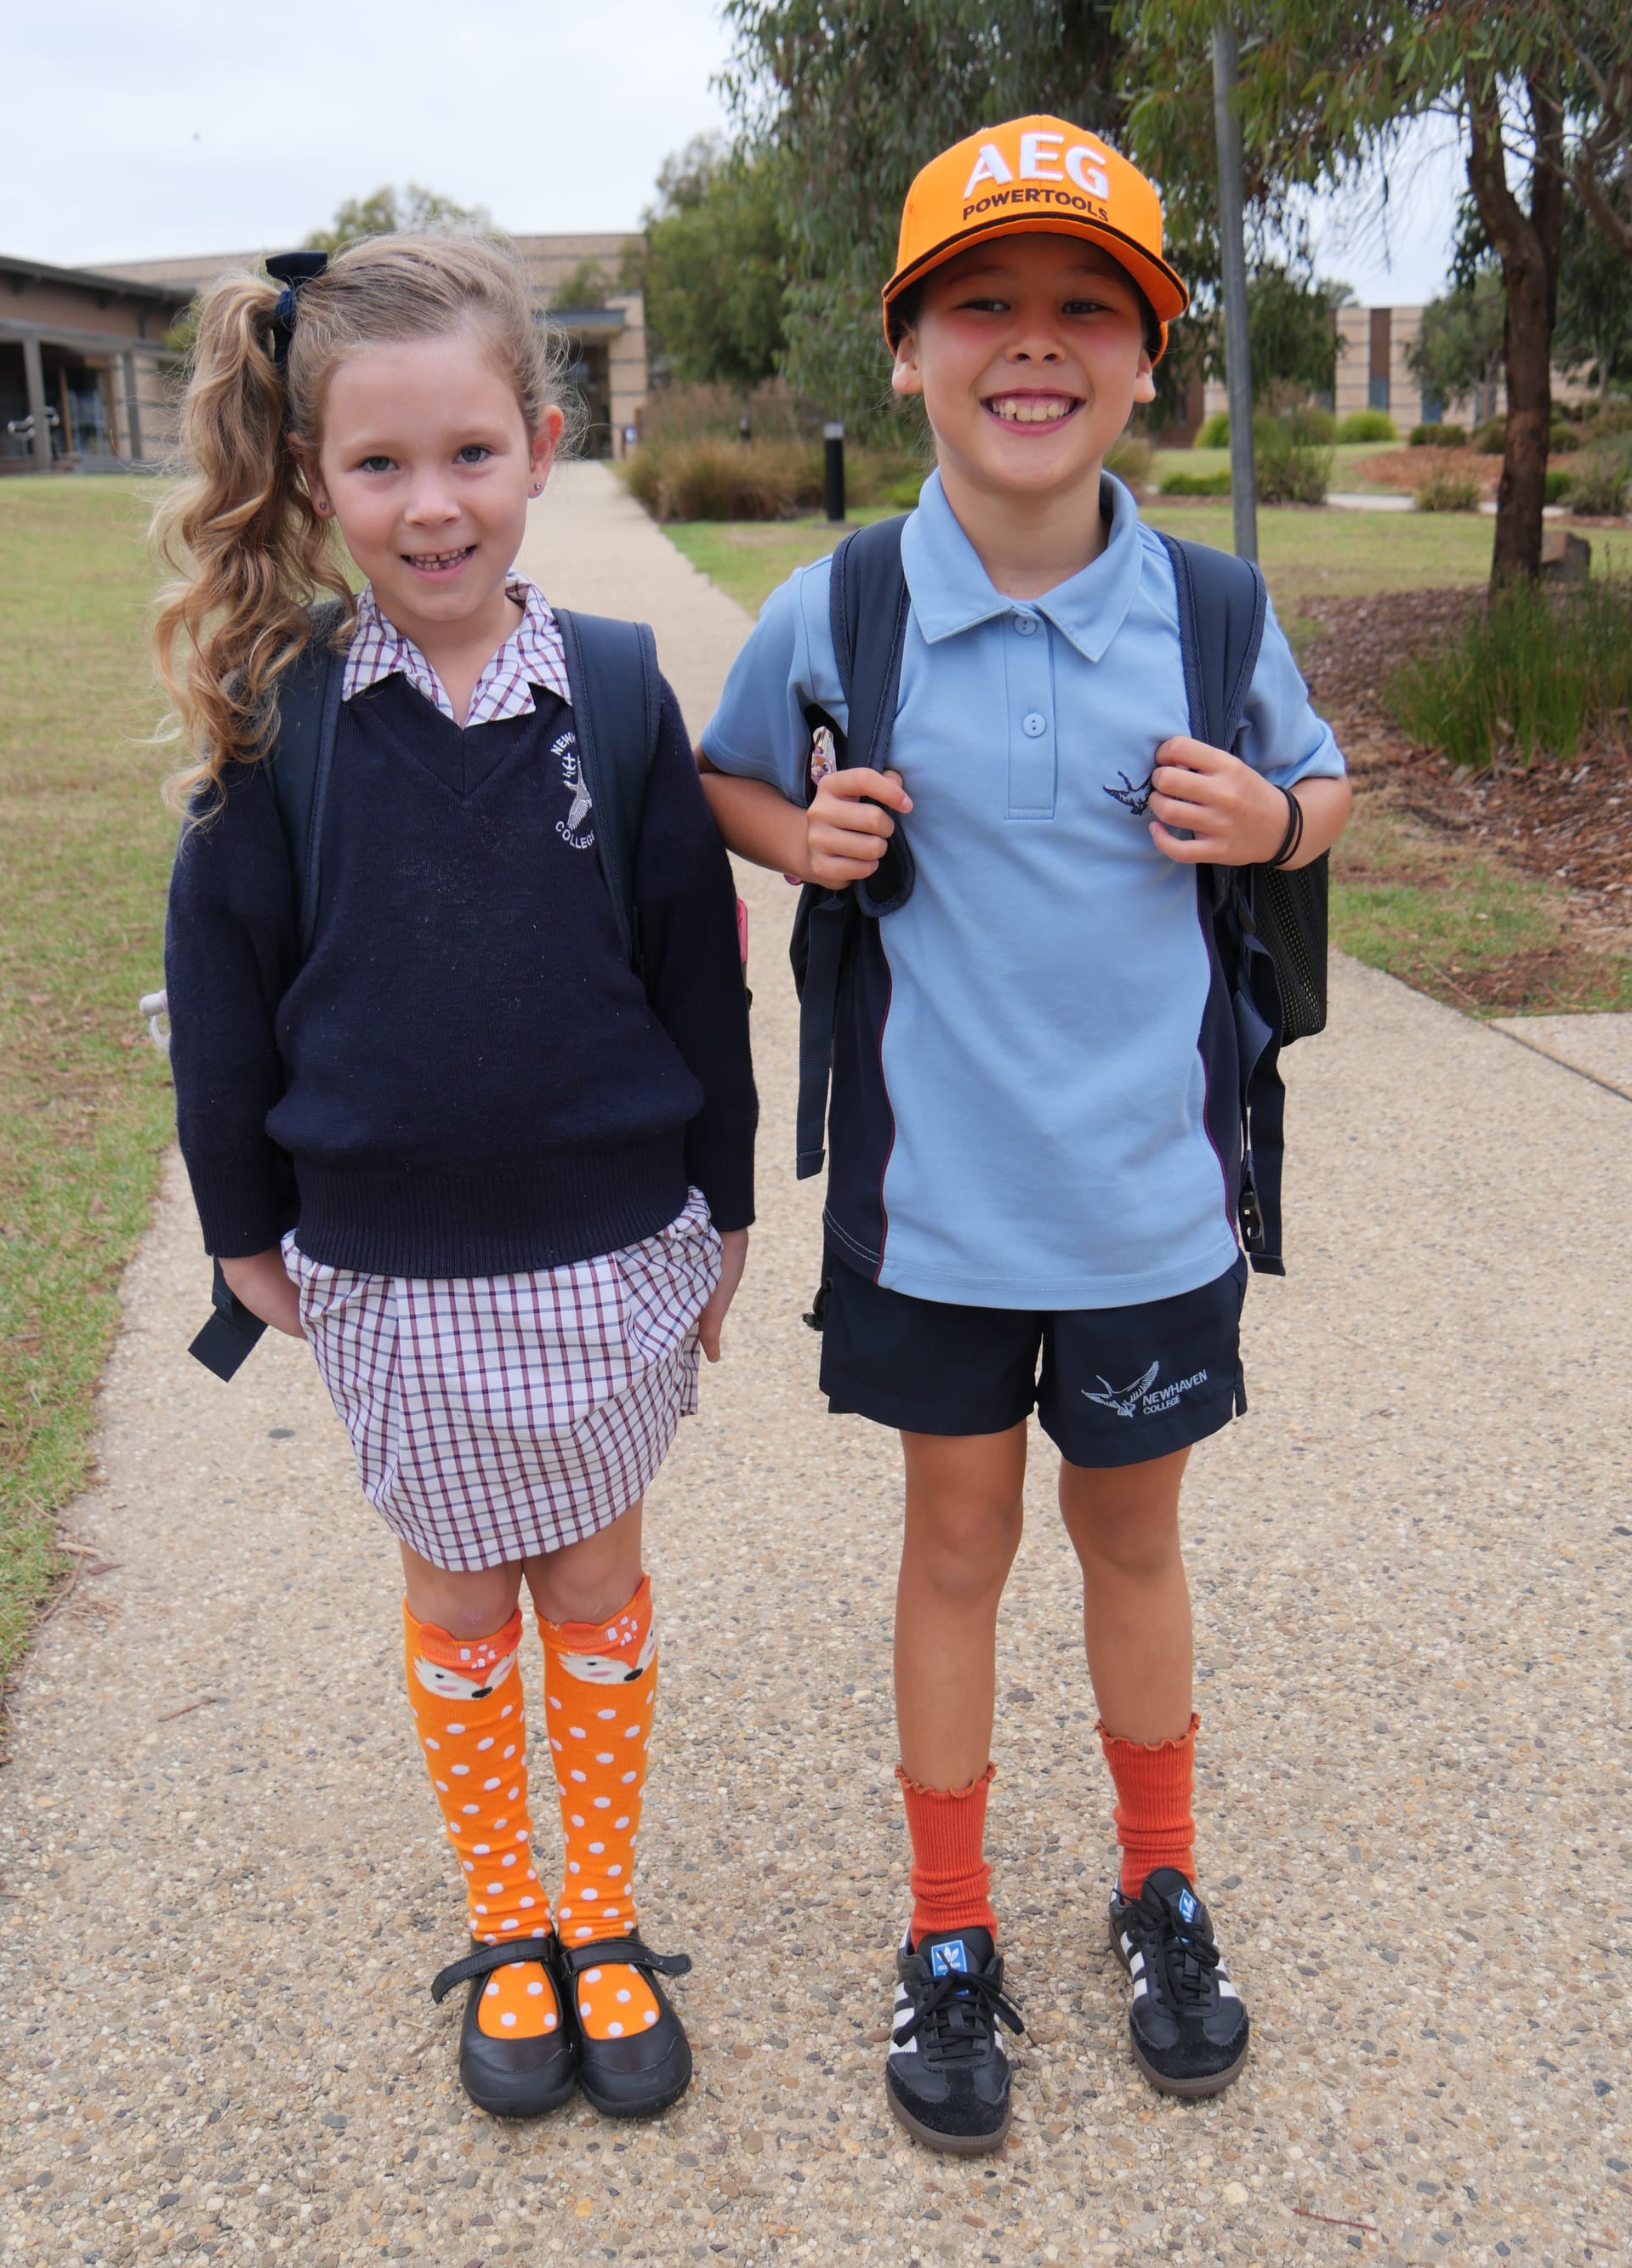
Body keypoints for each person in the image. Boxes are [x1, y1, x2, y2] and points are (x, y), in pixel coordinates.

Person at [697, 117, 1349, 2154]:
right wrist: (797, 831)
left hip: (1151, 1202)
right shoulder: (849, 601)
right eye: (984, 301)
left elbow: (1319, 793)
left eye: (1089, 306)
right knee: (956, 1546)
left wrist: (1270, 821)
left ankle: (1157, 1878)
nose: (1033, 344)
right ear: (907, 348)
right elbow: (728, 771)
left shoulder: (1218, 618)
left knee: (1133, 1538)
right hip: (936, 1215)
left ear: (1150, 358)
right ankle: (949, 1920)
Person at [154, 233, 757, 2123]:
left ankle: (599, 1910)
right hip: (393, 1271)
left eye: (472, 455)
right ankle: (509, 1924)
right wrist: (243, 1225)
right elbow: (222, 998)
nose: (433, 506)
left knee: (594, 1577)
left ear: (544, 443)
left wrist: (727, 1208)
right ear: (315, 480)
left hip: (608, 1253)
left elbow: (695, 970)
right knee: (457, 1599)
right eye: (381, 466)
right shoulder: (286, 725)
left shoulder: (624, 694)